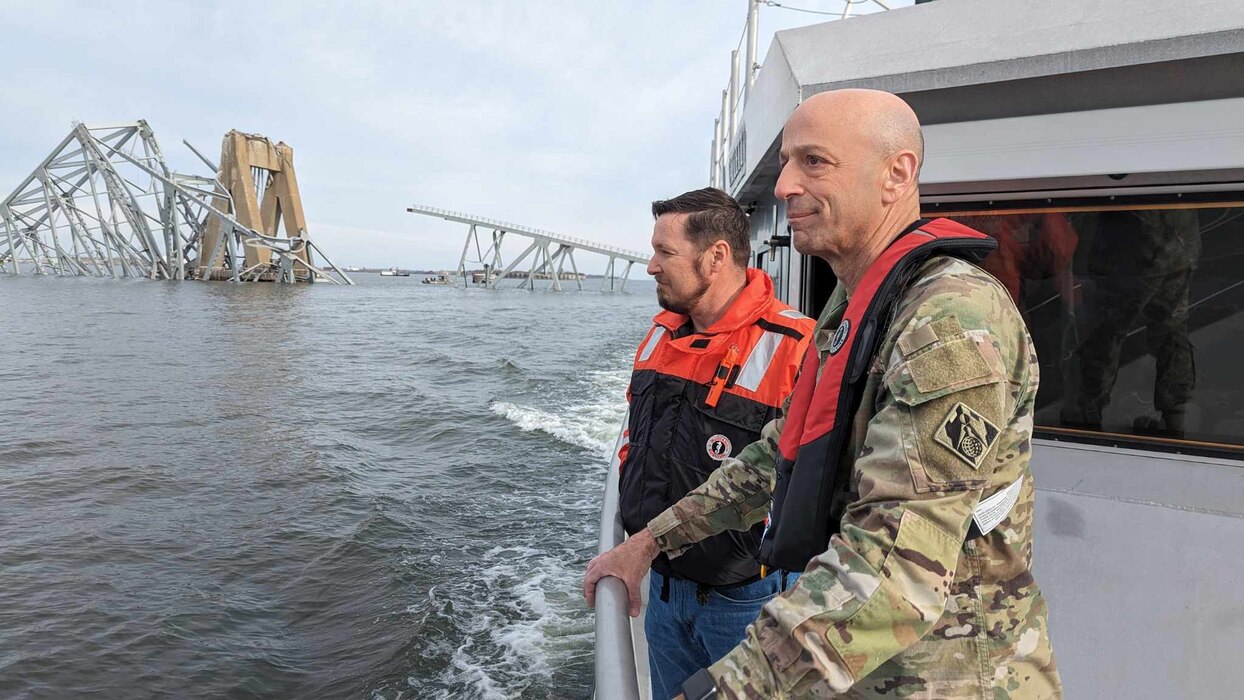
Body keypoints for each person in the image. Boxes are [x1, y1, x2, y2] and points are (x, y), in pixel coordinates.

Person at [588, 90, 1062, 698]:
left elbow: (894, 567)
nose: (784, 184)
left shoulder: (947, 322)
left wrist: (719, 690)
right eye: (786, 161)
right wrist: (649, 543)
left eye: (814, 161)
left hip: (947, 679)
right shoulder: (851, 311)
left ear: (897, 175)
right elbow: (774, 458)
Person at [584, 187, 814, 699]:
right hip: (661, 594)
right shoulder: (658, 336)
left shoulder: (796, 348)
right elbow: (635, 441)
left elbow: (796, 480)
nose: (650, 266)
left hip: (746, 604)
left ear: (715, 258)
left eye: (664, 253)